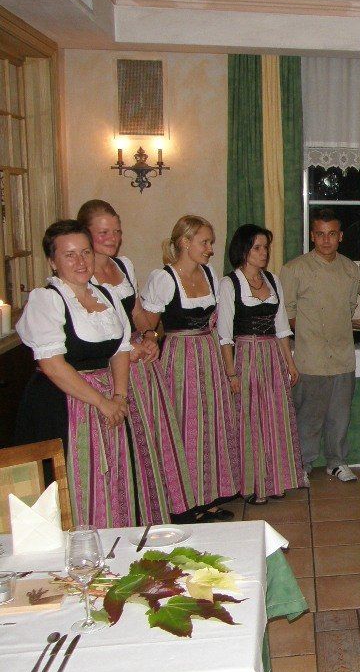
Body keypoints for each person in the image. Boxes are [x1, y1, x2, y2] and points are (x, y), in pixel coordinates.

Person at [14, 220, 134, 526]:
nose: (81, 261)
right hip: (60, 404)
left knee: (110, 478)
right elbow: (53, 365)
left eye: (85, 252)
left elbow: (121, 349)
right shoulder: (47, 300)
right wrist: (103, 402)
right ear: (53, 262)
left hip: (107, 398)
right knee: (63, 485)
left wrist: (119, 396)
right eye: (70, 255)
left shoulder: (107, 296)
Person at [77, 200, 191, 524]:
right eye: (103, 232)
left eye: (116, 231)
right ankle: (126, 518)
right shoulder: (81, 276)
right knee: (124, 449)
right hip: (111, 371)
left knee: (150, 445)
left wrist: (152, 337)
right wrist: (130, 348)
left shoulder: (123, 266)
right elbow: (94, 333)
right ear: (85, 234)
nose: (113, 238)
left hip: (141, 368)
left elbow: (139, 315)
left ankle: (154, 513)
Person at [139, 215, 238, 522]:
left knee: (210, 426)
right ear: (184, 242)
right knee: (184, 429)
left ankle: (207, 498)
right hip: (180, 359)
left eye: (210, 243)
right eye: (204, 242)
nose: (210, 249)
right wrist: (149, 340)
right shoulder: (165, 278)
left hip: (207, 354)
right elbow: (147, 325)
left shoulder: (209, 274)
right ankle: (183, 503)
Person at [218, 224, 306, 504]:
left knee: (274, 417)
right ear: (243, 249)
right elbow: (224, 334)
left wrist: (290, 363)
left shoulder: (272, 280)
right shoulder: (230, 284)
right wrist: (231, 373)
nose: (263, 252)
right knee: (250, 420)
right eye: (257, 247)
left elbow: (281, 327)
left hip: (271, 356)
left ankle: (275, 479)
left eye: (265, 247)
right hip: (246, 355)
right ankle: (253, 484)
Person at [282, 207, 360, 482]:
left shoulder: (351, 269)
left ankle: (336, 462)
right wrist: (312, 334)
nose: (326, 240)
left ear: (340, 236)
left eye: (331, 234)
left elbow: (349, 307)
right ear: (312, 237)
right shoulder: (294, 269)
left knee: (339, 417)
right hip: (310, 357)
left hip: (343, 356)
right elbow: (287, 315)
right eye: (320, 234)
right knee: (309, 417)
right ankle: (302, 465)